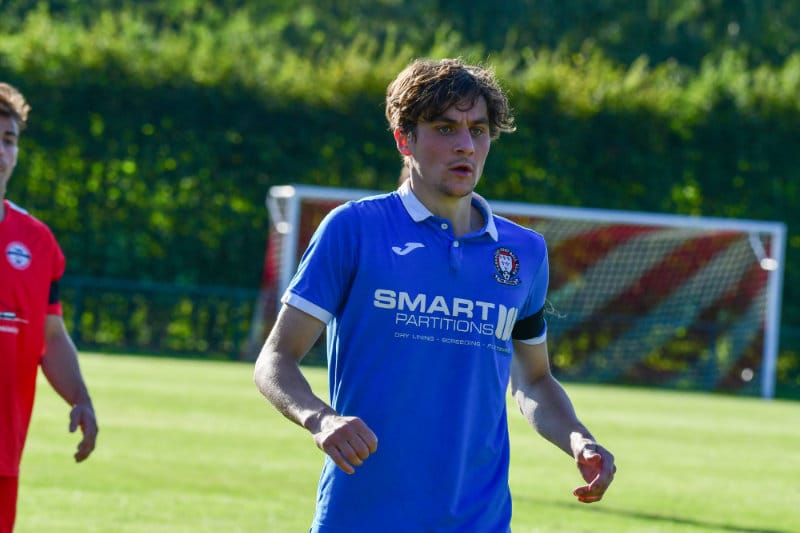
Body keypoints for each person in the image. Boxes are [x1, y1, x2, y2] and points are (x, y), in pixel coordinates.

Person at [253, 57, 616, 532]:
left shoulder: (524, 252)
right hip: (360, 517)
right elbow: (275, 360)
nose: (466, 145)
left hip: (479, 521)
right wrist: (320, 419)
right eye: (445, 129)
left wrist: (578, 439)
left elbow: (533, 380)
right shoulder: (354, 229)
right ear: (405, 140)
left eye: (478, 130)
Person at [0, 82, 98, 532]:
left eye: (9, 139)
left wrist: (80, 397)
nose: (1, 150)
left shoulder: (37, 242)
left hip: (5, 450)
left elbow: (51, 335)